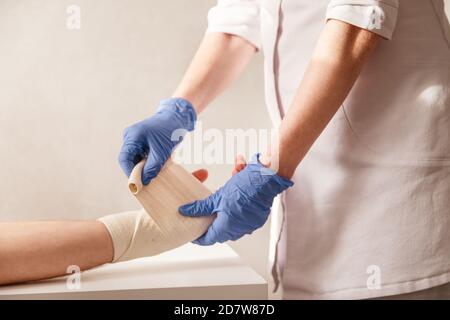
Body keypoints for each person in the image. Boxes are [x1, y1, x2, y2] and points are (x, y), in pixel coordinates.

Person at [119, 0, 450, 299]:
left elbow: (355, 24)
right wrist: (177, 110)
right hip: (309, 213)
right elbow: (239, 19)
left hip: (396, 211)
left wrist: (268, 172)